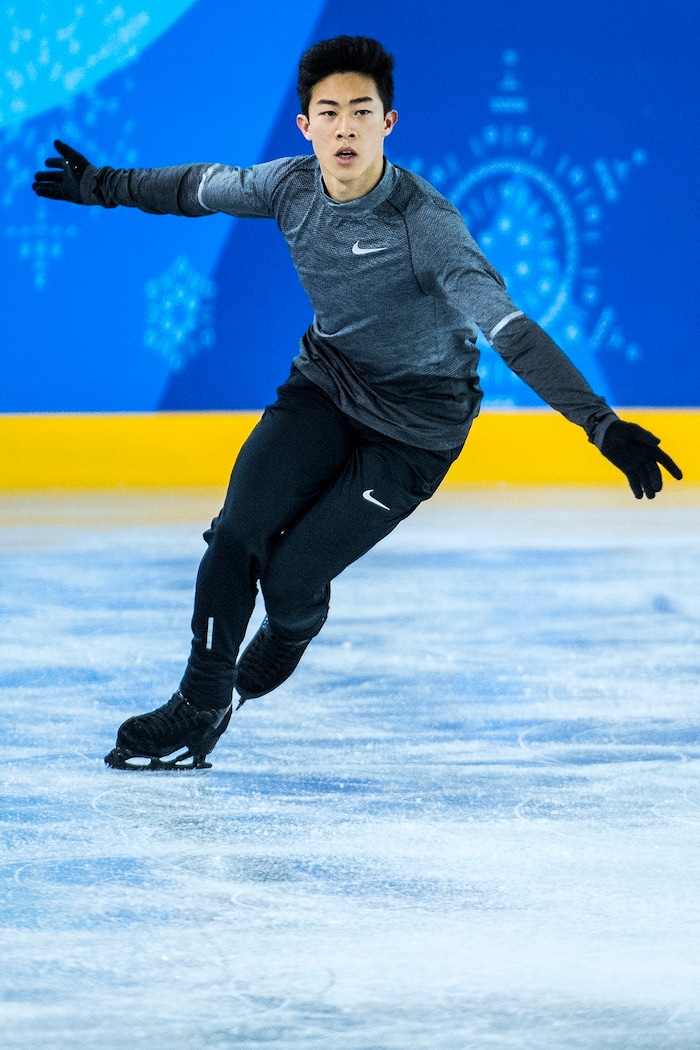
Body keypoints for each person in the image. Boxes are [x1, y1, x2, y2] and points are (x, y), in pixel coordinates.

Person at [33, 36, 682, 771]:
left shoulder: (425, 226)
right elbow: (197, 187)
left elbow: (510, 330)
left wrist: (599, 424)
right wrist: (102, 184)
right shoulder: (287, 187)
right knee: (236, 532)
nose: (346, 128)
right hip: (326, 387)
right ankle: (201, 701)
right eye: (329, 113)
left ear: (389, 123)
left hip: (414, 432)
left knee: (288, 580)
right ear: (305, 126)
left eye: (361, 113)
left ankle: (293, 623)